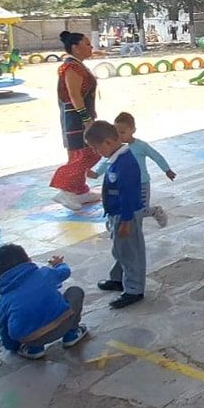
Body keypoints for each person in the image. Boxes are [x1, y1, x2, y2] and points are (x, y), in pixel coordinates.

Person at [86, 121, 147, 309]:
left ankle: (134, 289)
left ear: (109, 142)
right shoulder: (115, 159)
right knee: (120, 249)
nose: (97, 153)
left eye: (97, 148)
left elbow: (128, 193)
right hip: (117, 214)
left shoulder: (125, 163)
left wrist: (127, 220)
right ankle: (118, 279)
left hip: (125, 214)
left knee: (130, 252)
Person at [0, 244, 88, 360]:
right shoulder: (44, 273)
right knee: (75, 291)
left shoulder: (4, 299)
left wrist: (12, 347)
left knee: (16, 319)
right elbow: (65, 271)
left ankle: (34, 350)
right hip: (63, 324)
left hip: (31, 338)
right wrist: (58, 263)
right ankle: (72, 334)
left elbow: (4, 328)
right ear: (29, 260)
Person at [91, 112, 176, 228]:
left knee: (141, 210)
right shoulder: (117, 149)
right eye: (116, 132)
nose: (119, 136)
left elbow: (156, 156)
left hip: (142, 184)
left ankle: (156, 211)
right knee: (124, 206)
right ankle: (114, 222)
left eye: (122, 132)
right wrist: (96, 173)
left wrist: (167, 170)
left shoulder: (141, 146)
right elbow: (107, 162)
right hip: (124, 184)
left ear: (133, 130)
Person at [49, 31, 103, 211]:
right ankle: (65, 189)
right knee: (85, 154)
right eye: (87, 44)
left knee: (85, 152)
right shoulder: (72, 68)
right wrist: (86, 119)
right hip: (76, 118)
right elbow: (74, 96)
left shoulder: (78, 65)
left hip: (80, 117)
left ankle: (80, 191)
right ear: (75, 48)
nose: (91, 47)